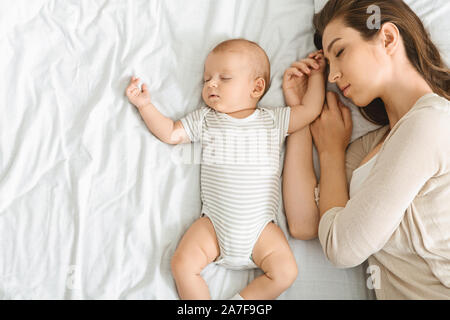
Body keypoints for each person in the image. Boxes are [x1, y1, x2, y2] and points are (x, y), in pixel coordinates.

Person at [125, 38, 327, 299]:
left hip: (261, 231)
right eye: (207, 79)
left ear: (256, 87)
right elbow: (171, 133)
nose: (211, 84)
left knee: (286, 272)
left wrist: (318, 75)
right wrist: (145, 105)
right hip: (213, 226)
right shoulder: (206, 119)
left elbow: (309, 110)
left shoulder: (272, 119)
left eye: (224, 78)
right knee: (182, 265)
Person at [282, 0, 450, 299]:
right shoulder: (370, 148)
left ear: (387, 38)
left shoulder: (433, 121)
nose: (332, 75)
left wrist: (332, 156)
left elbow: (341, 247)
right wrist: (300, 113)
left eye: (341, 51)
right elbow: (306, 222)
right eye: (329, 63)